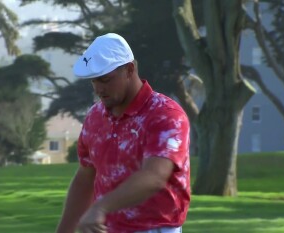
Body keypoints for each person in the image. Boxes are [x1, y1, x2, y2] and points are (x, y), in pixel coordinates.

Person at [56, 33, 191, 233]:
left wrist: (101, 207)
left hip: (155, 228)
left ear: (129, 70)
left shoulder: (165, 115)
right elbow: (86, 178)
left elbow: (155, 176)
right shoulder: (95, 117)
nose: (98, 89)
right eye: (94, 81)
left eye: (105, 79)